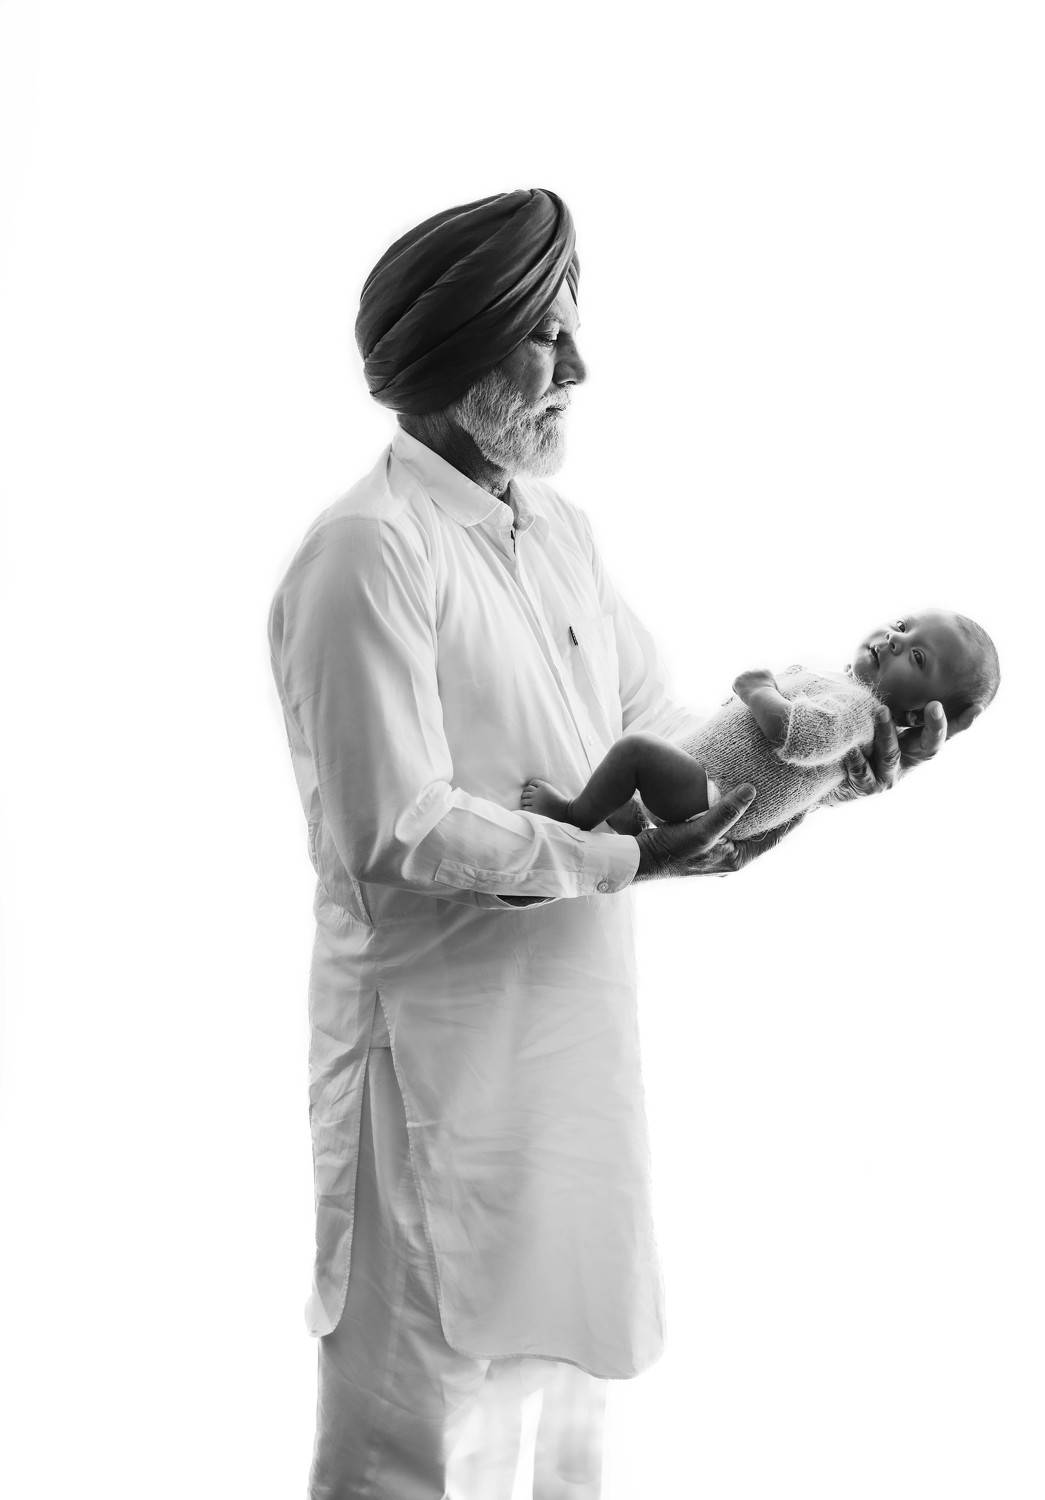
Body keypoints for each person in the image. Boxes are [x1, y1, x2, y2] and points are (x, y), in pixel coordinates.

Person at [266, 188, 953, 1500]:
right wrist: (621, 858)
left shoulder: (559, 533)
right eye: (548, 337)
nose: (579, 367)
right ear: (462, 352)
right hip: (432, 1073)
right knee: (415, 1435)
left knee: (556, 1418)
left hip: (571, 1054)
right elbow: (394, 827)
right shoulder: (366, 553)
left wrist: (823, 775)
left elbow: (670, 739)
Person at [522, 609, 998, 840]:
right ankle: (633, 815)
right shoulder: (847, 694)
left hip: (712, 793)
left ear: (916, 715)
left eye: (917, 657)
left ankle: (572, 816)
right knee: (645, 758)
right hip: (708, 784)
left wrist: (758, 690)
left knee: (635, 753)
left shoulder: (860, 710)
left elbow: (798, 738)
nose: (894, 640)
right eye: (903, 625)